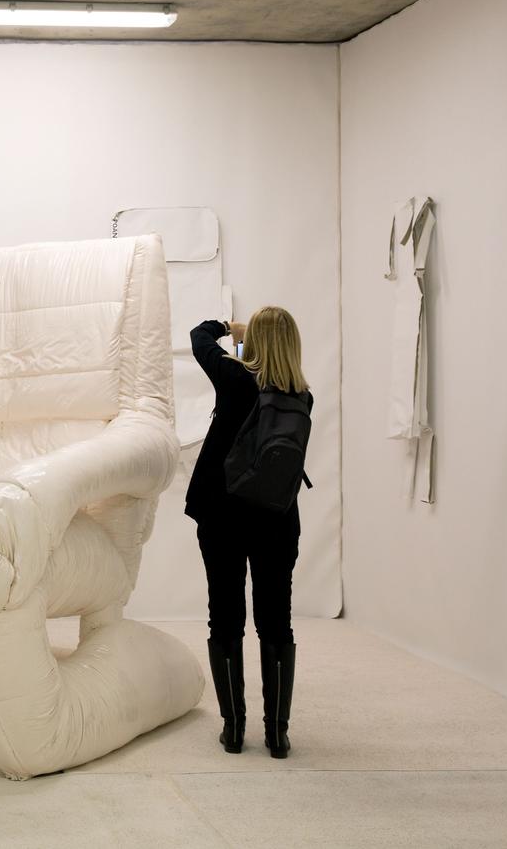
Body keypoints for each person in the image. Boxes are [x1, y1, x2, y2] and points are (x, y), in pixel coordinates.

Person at [186, 307, 311, 760]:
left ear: (251, 344)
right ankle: (277, 733)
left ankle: (234, 729)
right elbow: (264, 367)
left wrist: (229, 329)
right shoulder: (300, 395)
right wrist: (252, 343)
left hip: (222, 515)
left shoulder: (233, 379)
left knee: (225, 614)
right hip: (276, 518)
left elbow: (200, 338)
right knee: (276, 619)